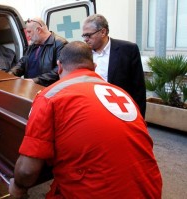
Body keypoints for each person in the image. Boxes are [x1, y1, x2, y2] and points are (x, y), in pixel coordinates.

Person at [9, 41, 162, 199]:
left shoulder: (51, 96)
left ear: (59, 66)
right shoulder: (121, 93)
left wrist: (18, 186)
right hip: (150, 188)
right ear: (94, 67)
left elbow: (27, 170)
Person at [82, 14, 146, 117]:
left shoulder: (128, 50)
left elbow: (138, 88)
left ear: (103, 32)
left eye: (88, 35)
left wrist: (139, 117)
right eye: (84, 36)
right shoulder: (83, 53)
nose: (85, 39)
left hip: (121, 110)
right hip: (92, 110)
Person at [9, 17, 68, 87]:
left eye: (29, 32)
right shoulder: (33, 45)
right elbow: (22, 63)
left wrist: (36, 81)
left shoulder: (60, 44)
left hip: (48, 91)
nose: (27, 36)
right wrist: (9, 74)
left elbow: (60, 69)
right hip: (30, 88)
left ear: (38, 30)